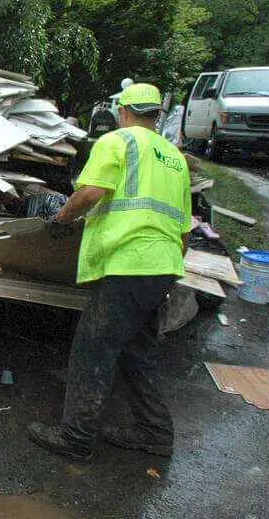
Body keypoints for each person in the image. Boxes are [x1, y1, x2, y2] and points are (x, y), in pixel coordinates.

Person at [28, 83, 192, 461]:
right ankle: (155, 433)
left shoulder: (117, 142)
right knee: (139, 350)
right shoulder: (175, 157)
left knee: (93, 348)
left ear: (122, 111)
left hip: (126, 264)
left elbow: (89, 194)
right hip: (163, 266)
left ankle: (76, 439)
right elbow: (184, 230)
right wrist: (167, 272)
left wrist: (60, 220)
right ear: (156, 116)